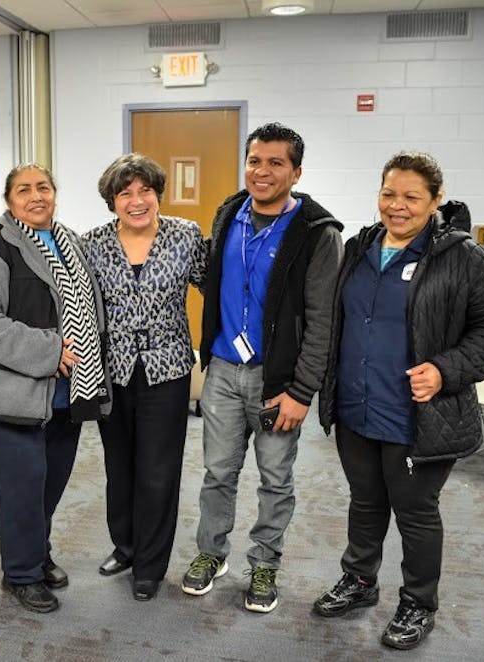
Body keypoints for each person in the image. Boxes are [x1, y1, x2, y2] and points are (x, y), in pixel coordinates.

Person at [314, 151, 484, 650]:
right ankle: (360, 579)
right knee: (365, 500)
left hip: (418, 415)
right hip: (357, 405)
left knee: (415, 511)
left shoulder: (460, 256)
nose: (397, 206)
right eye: (388, 194)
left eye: (411, 197)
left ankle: (419, 602)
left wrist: (446, 369)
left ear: (435, 200)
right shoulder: (360, 246)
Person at [182, 123, 343, 613]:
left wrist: (301, 391)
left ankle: (265, 563)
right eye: (255, 161)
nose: (263, 171)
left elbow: (322, 321)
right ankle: (211, 553)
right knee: (218, 472)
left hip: (279, 381)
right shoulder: (228, 215)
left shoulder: (317, 233)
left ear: (297, 172)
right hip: (223, 372)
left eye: (276, 163)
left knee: (275, 478)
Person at [0, 164, 113, 614]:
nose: (36, 195)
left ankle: (37, 553)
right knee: (21, 489)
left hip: (69, 391)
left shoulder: (71, 243)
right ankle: (21, 574)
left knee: (49, 485)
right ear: (9, 200)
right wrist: (49, 349)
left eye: (43, 187)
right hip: (14, 393)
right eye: (24, 189)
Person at [81, 153, 206, 601]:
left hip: (166, 370)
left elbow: (216, 287)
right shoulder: (92, 243)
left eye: (145, 190)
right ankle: (126, 546)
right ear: (112, 201)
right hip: (111, 370)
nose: (137, 201)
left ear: (157, 194)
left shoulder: (185, 235)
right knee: (119, 467)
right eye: (125, 193)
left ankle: (150, 565)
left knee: (158, 470)